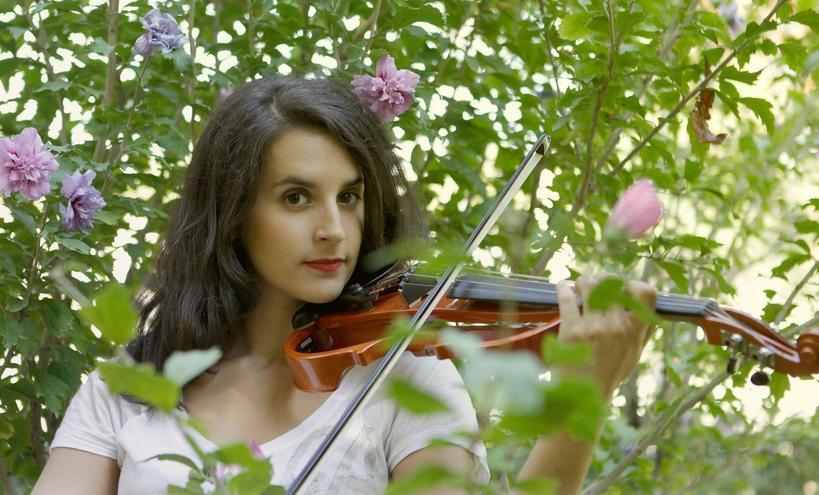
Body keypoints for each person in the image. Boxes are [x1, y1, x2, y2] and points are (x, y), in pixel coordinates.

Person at [32, 76, 656, 495]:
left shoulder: (409, 379)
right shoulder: (128, 389)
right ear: (231, 212)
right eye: (297, 197)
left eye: (350, 196)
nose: (335, 229)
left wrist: (587, 391)